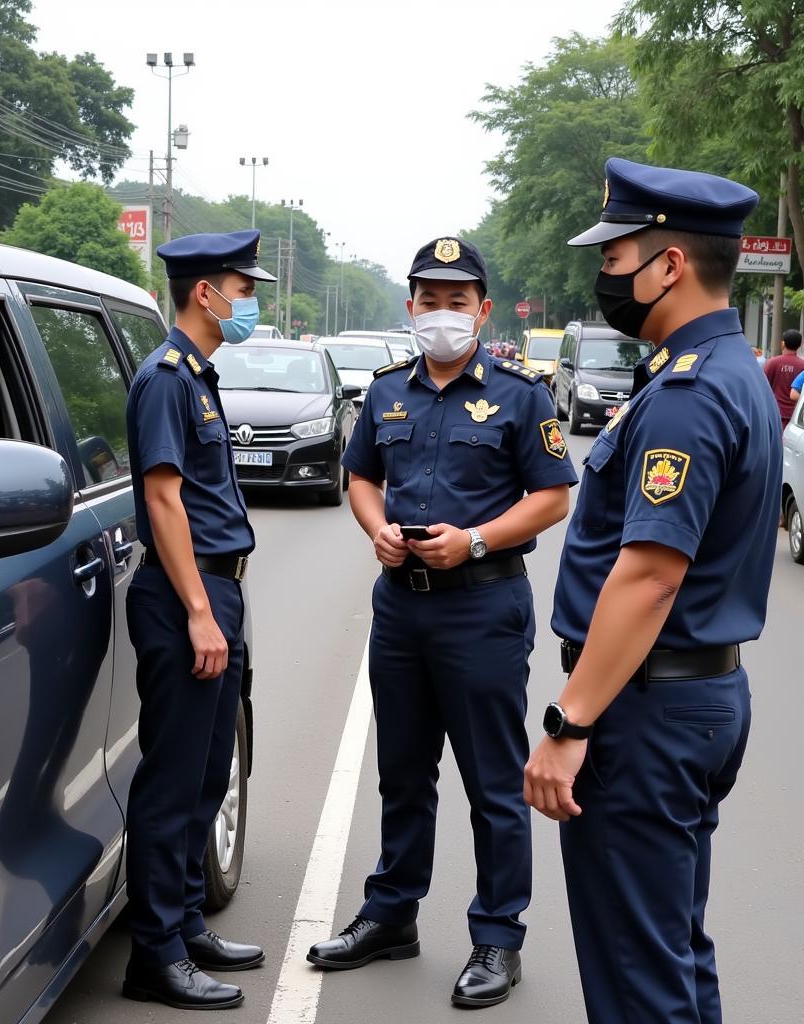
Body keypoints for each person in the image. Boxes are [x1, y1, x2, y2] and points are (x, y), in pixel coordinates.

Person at [525, 157, 782, 1024]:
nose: (604, 274)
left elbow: (647, 577)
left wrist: (570, 723)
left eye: (614, 256)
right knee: (673, 953)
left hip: (645, 714)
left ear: (668, 264)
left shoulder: (686, 393)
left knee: (638, 978)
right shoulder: (724, 369)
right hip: (695, 698)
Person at [308, 237, 577, 1008]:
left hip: (482, 607)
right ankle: (392, 914)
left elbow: (554, 495)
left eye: (457, 300)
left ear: (483, 310)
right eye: (429, 298)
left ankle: (498, 937)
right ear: (411, 306)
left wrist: (478, 539)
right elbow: (360, 475)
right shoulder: (389, 390)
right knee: (403, 772)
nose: (442, 312)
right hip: (400, 606)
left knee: (493, 782)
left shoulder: (522, 393)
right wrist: (376, 530)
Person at [121, 230, 275, 1011]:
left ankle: (185, 925)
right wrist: (197, 612)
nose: (251, 300)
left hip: (219, 593)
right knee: (172, 780)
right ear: (204, 293)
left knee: (210, 771)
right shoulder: (166, 377)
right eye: (242, 288)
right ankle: (154, 954)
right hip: (189, 599)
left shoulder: (199, 376)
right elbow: (162, 499)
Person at [764, 328, 804, 429]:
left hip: (774, 413)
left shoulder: (772, 363)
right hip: (795, 418)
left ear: (783, 343)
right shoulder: (802, 365)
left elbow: (762, 387)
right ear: (800, 345)